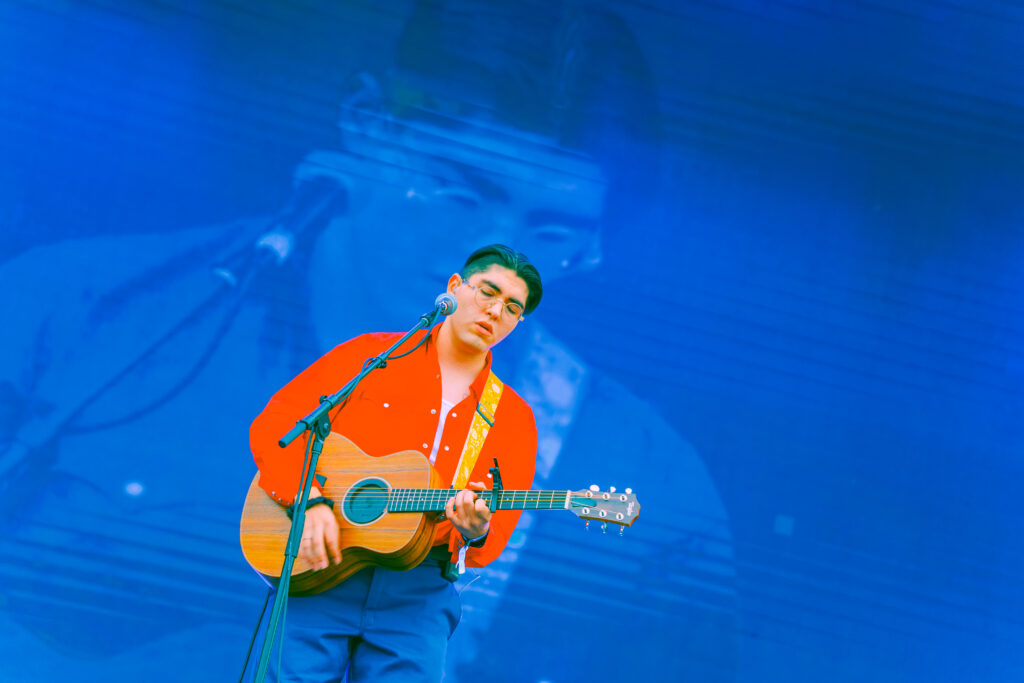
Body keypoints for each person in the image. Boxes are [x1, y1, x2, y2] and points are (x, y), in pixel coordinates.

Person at [0, 2, 737, 681]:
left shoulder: (648, 481)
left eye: (550, 232)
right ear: (367, 124)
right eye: (458, 191)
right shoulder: (75, 310)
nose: (493, 266)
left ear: (594, 246)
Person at [247, 244, 542, 681]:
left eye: (512, 308)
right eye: (487, 292)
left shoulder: (513, 418)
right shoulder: (371, 357)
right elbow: (278, 426)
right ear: (455, 287)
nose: (495, 311)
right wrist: (307, 500)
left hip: (418, 593)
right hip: (323, 563)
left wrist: (474, 530)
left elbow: (492, 536)